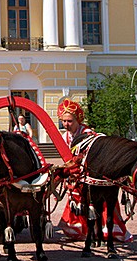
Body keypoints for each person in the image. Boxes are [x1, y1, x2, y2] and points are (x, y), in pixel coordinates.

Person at [56, 99, 132, 242]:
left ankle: (104, 231)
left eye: (70, 121)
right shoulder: (64, 136)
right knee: (75, 199)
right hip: (75, 174)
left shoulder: (88, 133)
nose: (66, 124)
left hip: (91, 172)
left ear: (77, 119)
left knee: (102, 202)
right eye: (64, 121)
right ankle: (80, 231)